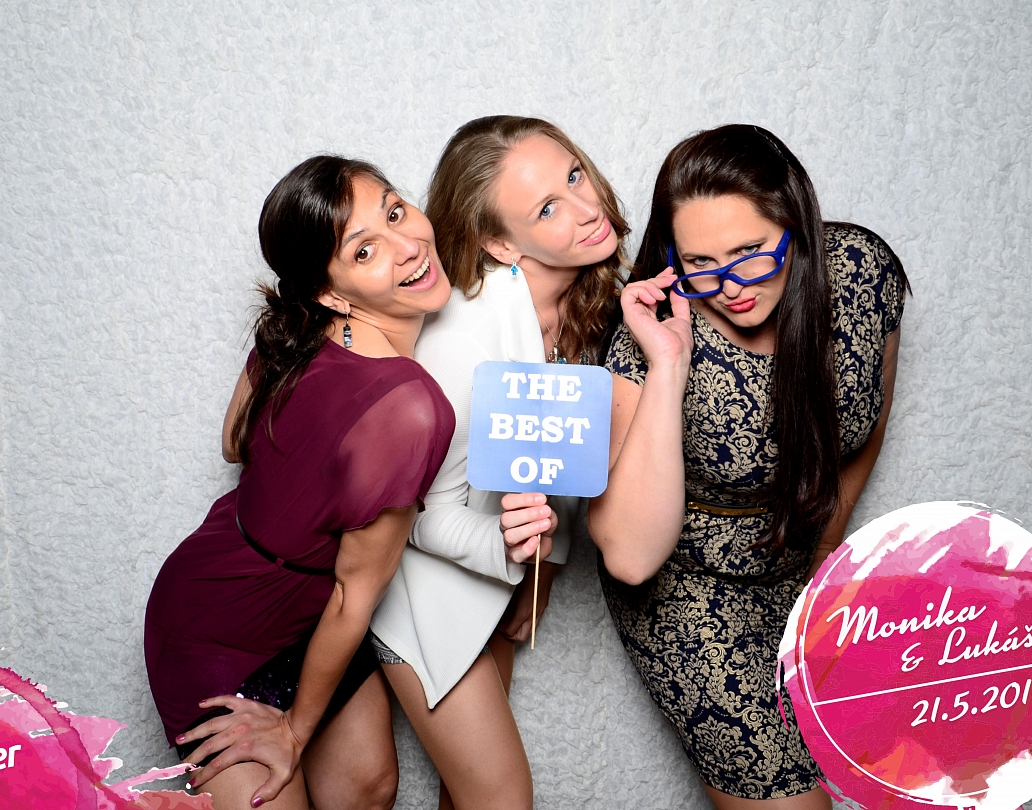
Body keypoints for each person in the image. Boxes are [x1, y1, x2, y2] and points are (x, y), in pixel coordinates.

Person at [589, 124, 907, 809]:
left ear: (796, 224)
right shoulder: (645, 342)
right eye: (699, 263)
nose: (730, 286)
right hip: (691, 591)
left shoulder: (861, 274)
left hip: (802, 567)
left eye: (750, 254)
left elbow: (863, 420)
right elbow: (630, 558)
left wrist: (827, 553)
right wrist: (669, 363)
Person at [144, 155, 457, 810]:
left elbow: (234, 443)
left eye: (395, 211)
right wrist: (292, 732)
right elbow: (353, 591)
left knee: (367, 788)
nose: (407, 245)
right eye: (365, 250)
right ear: (333, 294)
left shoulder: (302, 330)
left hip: (313, 619)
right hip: (218, 628)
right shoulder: (411, 408)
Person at [369, 115, 630, 810]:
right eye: (547, 208)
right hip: (418, 595)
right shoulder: (464, 335)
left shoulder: (587, 309)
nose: (586, 208)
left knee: (468, 798)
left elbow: (555, 464)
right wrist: (515, 556)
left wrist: (543, 572)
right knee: (501, 798)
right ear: (499, 243)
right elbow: (411, 516)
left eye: (574, 176)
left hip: (493, 585)